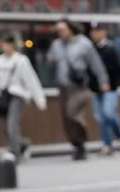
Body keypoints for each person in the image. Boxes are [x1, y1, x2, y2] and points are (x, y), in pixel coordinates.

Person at [46, 19, 109, 160]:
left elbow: (95, 64)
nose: (60, 33)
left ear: (71, 29)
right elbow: (50, 60)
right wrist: (50, 60)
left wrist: (103, 81)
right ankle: (77, 146)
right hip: (63, 85)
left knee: (73, 112)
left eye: (63, 30)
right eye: (58, 31)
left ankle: (82, 139)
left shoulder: (84, 44)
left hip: (79, 86)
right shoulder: (56, 45)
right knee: (66, 118)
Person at [0, 34, 45, 162]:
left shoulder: (21, 60)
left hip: (18, 94)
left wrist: (39, 99)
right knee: (4, 125)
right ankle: (21, 144)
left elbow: (31, 80)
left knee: (12, 124)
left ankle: (15, 153)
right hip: (4, 95)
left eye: (7, 44)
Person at [88, 22, 120, 154]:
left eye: (97, 31)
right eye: (93, 31)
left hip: (110, 89)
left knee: (108, 113)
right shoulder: (91, 50)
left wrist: (112, 83)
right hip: (95, 89)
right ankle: (107, 144)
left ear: (104, 32)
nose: (95, 34)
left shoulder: (111, 49)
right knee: (100, 118)